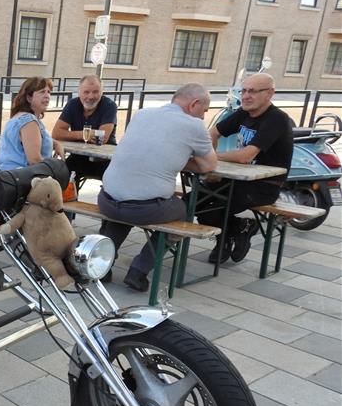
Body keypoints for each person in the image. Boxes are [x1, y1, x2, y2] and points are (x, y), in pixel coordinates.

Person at [98, 84, 218, 291]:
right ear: (194, 104)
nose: (203, 116)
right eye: (204, 111)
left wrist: (172, 157)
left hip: (106, 199)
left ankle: (102, 264)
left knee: (127, 203)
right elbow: (209, 165)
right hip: (143, 209)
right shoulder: (194, 125)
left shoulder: (142, 114)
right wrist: (181, 158)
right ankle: (139, 270)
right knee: (183, 211)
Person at [196, 73, 294, 264]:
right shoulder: (244, 112)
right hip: (236, 180)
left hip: (264, 185)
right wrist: (210, 168)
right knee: (194, 202)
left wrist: (212, 158)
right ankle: (237, 229)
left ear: (269, 94)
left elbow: (245, 156)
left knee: (213, 206)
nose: (246, 96)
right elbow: (212, 133)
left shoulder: (277, 119)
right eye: (244, 91)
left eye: (253, 91)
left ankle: (229, 236)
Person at [51, 75, 118, 184]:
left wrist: (70, 135)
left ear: (102, 92)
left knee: (113, 180)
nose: (90, 96)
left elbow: (102, 137)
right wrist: (84, 134)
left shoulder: (109, 105)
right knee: (62, 175)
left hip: (104, 159)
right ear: (79, 92)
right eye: (86, 92)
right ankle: (69, 195)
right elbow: (56, 133)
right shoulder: (73, 104)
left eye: (95, 92)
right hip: (79, 157)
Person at [0, 77, 63, 170]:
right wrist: (56, 169)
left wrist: (56, 144)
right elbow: (34, 161)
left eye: (48, 92)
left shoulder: (22, 117)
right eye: (42, 92)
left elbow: (33, 140)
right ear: (29, 98)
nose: (47, 96)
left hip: (7, 174)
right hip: (19, 176)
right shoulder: (28, 121)